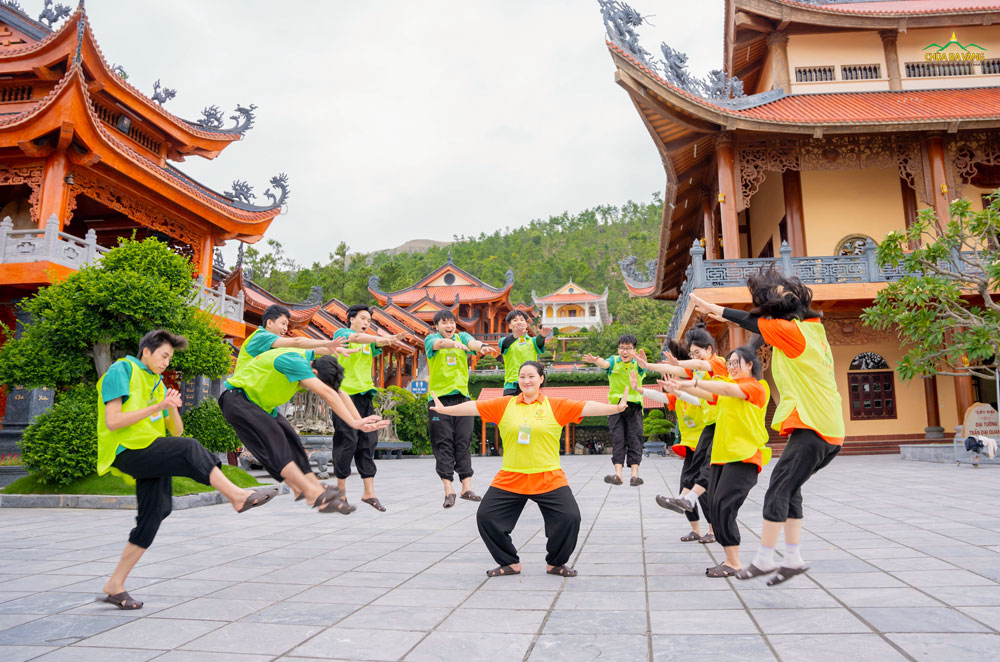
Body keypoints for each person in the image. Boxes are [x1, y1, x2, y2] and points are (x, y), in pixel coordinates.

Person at [97, 330, 279, 611]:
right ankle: (237, 496)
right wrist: (158, 405)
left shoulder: (156, 382)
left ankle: (115, 585)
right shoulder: (122, 369)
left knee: (156, 511)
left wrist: (171, 407)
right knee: (188, 448)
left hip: (149, 449)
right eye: (164, 355)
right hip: (126, 449)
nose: (167, 362)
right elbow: (113, 421)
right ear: (146, 351)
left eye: (170, 358)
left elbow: (176, 430)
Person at [689, 268, 844, 586]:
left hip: (813, 426)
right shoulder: (814, 330)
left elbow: (750, 322)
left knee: (777, 489)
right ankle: (793, 558)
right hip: (828, 429)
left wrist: (713, 309)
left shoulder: (794, 333)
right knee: (791, 491)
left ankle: (762, 559)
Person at [430, 361, 627, 577]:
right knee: (486, 516)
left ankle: (555, 563)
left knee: (570, 518)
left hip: (548, 476)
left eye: (531, 376)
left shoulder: (555, 405)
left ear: (541, 378)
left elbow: (585, 406)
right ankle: (509, 562)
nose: (526, 380)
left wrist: (616, 408)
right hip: (511, 476)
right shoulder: (505, 404)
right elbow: (474, 407)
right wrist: (444, 410)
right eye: (522, 377)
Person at [220, 346, 390, 515]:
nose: (310, 389)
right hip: (238, 401)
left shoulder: (310, 363)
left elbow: (337, 392)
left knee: (292, 441)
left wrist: (359, 422)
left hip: (261, 408)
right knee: (275, 440)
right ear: (314, 374)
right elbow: (326, 393)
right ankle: (310, 492)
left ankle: (312, 491)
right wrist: (353, 422)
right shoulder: (294, 361)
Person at [662, 343, 771, 577]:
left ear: (750, 365)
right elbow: (709, 394)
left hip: (745, 458)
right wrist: (679, 388)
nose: (731, 367)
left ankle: (734, 562)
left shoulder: (757, 387)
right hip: (722, 458)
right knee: (716, 505)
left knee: (725, 506)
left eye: (735, 363)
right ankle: (730, 560)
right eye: (729, 363)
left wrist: (692, 381)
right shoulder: (726, 389)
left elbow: (726, 390)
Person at [642, 324, 729, 544]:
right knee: (689, 480)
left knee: (705, 481)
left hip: (721, 425)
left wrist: (679, 368)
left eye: (697, 352)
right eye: (691, 353)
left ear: (710, 350)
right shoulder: (693, 375)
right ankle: (690, 514)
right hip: (702, 434)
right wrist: (647, 367)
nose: (694, 357)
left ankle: (711, 527)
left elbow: (696, 388)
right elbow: (678, 375)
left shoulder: (717, 364)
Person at [629, 340, 714, 543]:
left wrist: (678, 389)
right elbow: (662, 397)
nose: (670, 381)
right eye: (669, 378)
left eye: (674, 377)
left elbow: (694, 399)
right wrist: (639, 390)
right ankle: (696, 530)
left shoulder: (697, 394)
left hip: (705, 445)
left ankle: (713, 531)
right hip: (690, 448)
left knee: (704, 492)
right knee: (684, 487)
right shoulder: (677, 399)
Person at [329, 304, 407, 512]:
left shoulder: (369, 342)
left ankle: (368, 493)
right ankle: (340, 494)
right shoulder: (342, 334)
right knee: (347, 441)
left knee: (368, 441)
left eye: (369, 321)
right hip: (344, 395)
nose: (366, 323)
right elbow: (355, 339)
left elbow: (374, 344)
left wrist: (384, 340)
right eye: (363, 318)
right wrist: (378, 338)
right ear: (351, 319)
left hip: (365, 395)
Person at [425, 310, 498, 507]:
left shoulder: (462, 337)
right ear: (437, 326)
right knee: (443, 443)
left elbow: (471, 343)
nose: (449, 326)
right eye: (444, 323)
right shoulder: (430, 339)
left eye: (452, 323)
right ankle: (448, 490)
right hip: (439, 401)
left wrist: (481, 346)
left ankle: (467, 487)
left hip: (463, 400)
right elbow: (438, 344)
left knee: (463, 442)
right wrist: (451, 344)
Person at [582, 334, 646, 486]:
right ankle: (618, 474)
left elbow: (643, 367)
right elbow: (605, 364)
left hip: (634, 405)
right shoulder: (614, 360)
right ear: (618, 349)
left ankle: (634, 475)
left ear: (634, 350)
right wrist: (596, 361)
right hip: (615, 407)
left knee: (634, 439)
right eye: (622, 348)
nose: (625, 352)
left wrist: (642, 360)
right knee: (618, 439)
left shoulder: (637, 363)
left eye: (628, 348)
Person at [234, 303, 346, 377]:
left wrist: (334, 349)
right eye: (283, 323)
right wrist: (327, 342)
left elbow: (313, 351)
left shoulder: (275, 346)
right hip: (241, 393)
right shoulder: (261, 336)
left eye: (287, 325)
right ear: (269, 323)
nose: (285, 329)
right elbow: (296, 342)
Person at [499, 310, 548, 396]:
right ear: (510, 325)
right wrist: (516, 336)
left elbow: (539, 341)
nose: (519, 322)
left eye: (522, 320)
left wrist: (542, 336)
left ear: (526, 324)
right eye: (515, 320)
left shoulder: (533, 341)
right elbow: (505, 345)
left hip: (530, 384)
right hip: (512, 385)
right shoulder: (503, 341)